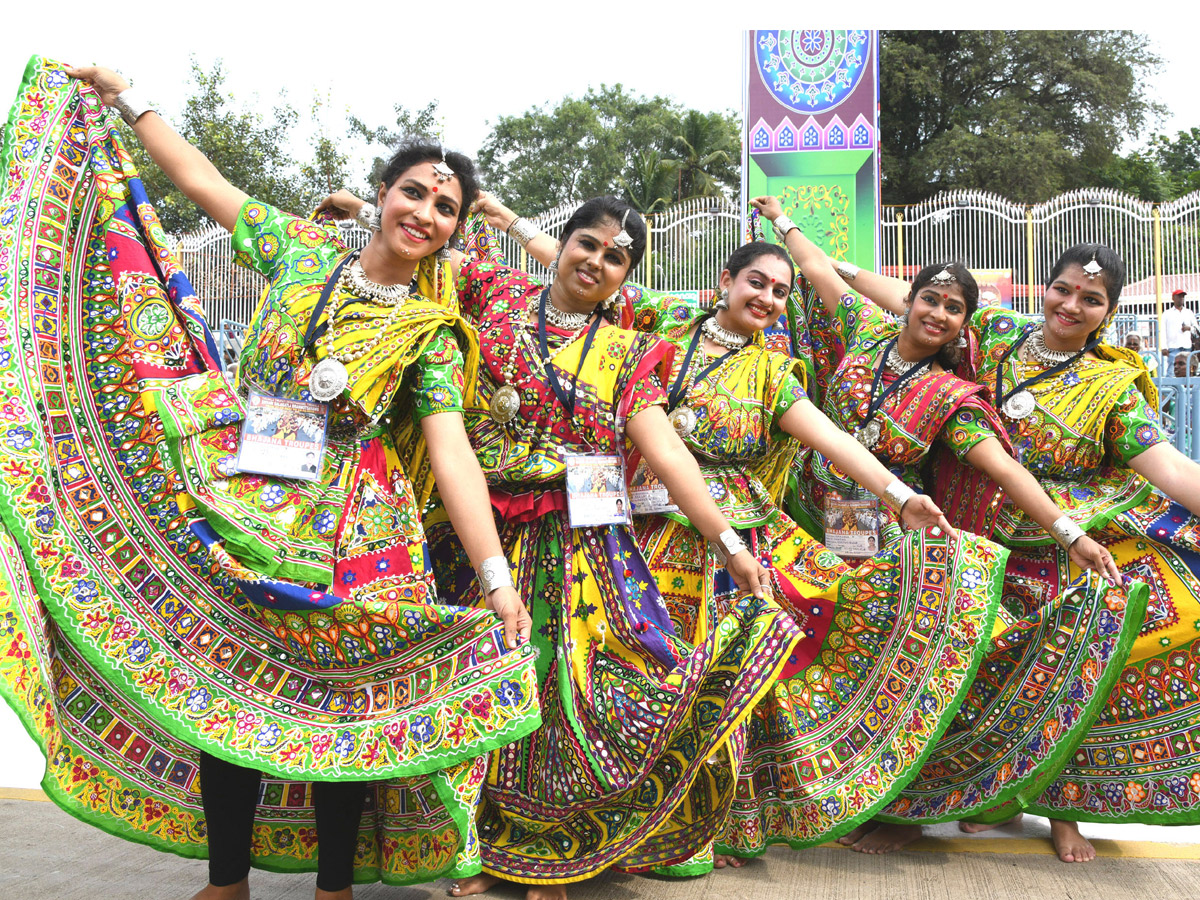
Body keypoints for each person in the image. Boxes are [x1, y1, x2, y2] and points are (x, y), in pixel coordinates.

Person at [1, 60, 543, 900]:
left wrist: (498, 579)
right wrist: (125, 95)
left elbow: (451, 454)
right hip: (248, 494)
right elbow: (202, 180)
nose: (426, 214)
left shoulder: (435, 333)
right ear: (381, 193)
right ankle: (227, 882)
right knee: (232, 682)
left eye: (446, 208)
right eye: (415, 193)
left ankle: (333, 887)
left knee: (341, 705)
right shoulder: (299, 250)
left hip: (357, 527)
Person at [474, 193, 1012, 868]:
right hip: (625, 524)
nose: (767, 298)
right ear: (724, 282)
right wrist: (513, 224)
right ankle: (597, 819)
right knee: (608, 675)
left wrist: (900, 496)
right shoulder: (662, 323)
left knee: (736, 669)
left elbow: (830, 438)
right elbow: (580, 269)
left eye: (781, 292)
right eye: (756, 282)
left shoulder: (774, 373)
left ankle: (712, 819)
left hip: (731, 532)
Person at [320, 190, 803, 900]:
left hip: (583, 547)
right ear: (563, 242)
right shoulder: (496, 296)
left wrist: (729, 540)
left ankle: (557, 855)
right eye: (588, 244)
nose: (597, 262)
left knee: (570, 691)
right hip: (477, 531)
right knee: (476, 680)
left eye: (616, 258)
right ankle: (474, 847)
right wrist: (366, 210)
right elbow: (426, 240)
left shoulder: (631, 351)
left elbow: (667, 452)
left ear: (625, 275)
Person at [756, 199, 1147, 859]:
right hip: (806, 512)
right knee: (794, 647)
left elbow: (1002, 467)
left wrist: (1067, 531)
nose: (937, 313)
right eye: (929, 300)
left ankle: (904, 802)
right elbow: (828, 273)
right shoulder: (867, 329)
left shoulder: (952, 398)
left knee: (906, 668)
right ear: (910, 301)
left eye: (953, 308)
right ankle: (789, 778)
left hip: (904, 539)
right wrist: (783, 223)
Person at [844, 239, 1200, 861]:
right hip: (958, 535)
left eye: (1091, 299)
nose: (1070, 305)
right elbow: (908, 297)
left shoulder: (1113, 387)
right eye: (1063, 289)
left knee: (1065, 683)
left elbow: (1167, 464)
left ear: (1108, 311)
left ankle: (1062, 811)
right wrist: (814, 252)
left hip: (1057, 551)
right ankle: (925, 811)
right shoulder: (997, 331)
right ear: (1045, 288)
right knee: (945, 677)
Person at [1162, 288, 1196, 364]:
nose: (1181, 298)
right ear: (1173, 298)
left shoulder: (1188, 312)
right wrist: (1164, 347)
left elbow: (1196, 328)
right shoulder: (1167, 313)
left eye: (1183, 297)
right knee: (1172, 371)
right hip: (1173, 347)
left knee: (1187, 370)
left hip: (1187, 346)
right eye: (1179, 296)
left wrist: (1189, 328)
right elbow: (1163, 331)